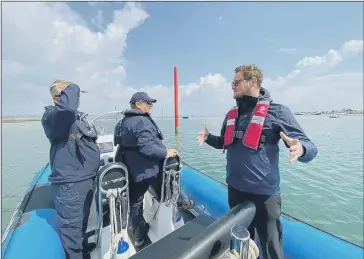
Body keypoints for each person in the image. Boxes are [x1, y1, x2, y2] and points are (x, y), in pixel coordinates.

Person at [197, 65, 318, 259]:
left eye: (236, 82)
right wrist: (208, 137)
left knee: (271, 250)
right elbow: (224, 142)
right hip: (235, 193)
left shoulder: (277, 112)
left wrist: (302, 149)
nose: (232, 87)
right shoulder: (231, 115)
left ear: (252, 81)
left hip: (264, 198)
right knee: (240, 246)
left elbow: (310, 146)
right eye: (232, 83)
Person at [41, 80, 100, 259]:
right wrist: (73, 86)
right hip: (71, 185)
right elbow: (66, 110)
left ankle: (83, 248)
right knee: (72, 231)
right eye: (69, 94)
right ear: (57, 98)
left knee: (81, 223)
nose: (76, 98)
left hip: (85, 180)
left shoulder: (73, 117)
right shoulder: (53, 117)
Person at [114, 92, 178, 247]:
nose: (151, 106)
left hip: (131, 171)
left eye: (151, 103)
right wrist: (165, 152)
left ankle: (139, 235)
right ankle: (180, 204)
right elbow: (147, 148)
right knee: (169, 186)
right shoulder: (142, 121)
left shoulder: (123, 122)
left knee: (135, 203)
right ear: (137, 105)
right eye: (148, 103)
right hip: (146, 172)